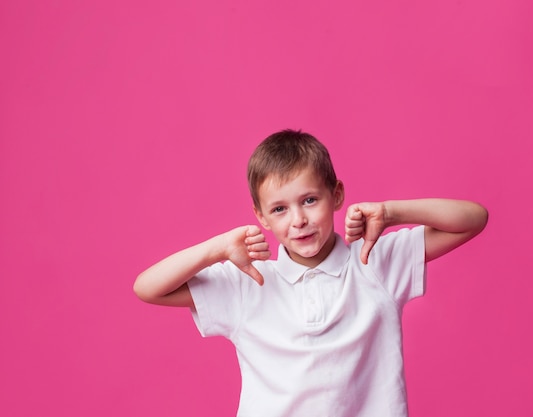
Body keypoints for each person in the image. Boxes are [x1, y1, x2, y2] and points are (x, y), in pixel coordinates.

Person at [134, 129, 488, 417]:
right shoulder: (249, 283)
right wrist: (217, 248)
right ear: (261, 218)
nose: (298, 220)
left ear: (336, 196)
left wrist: (391, 212)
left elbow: (472, 220)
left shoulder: (373, 262)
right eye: (279, 209)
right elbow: (148, 288)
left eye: (309, 200)